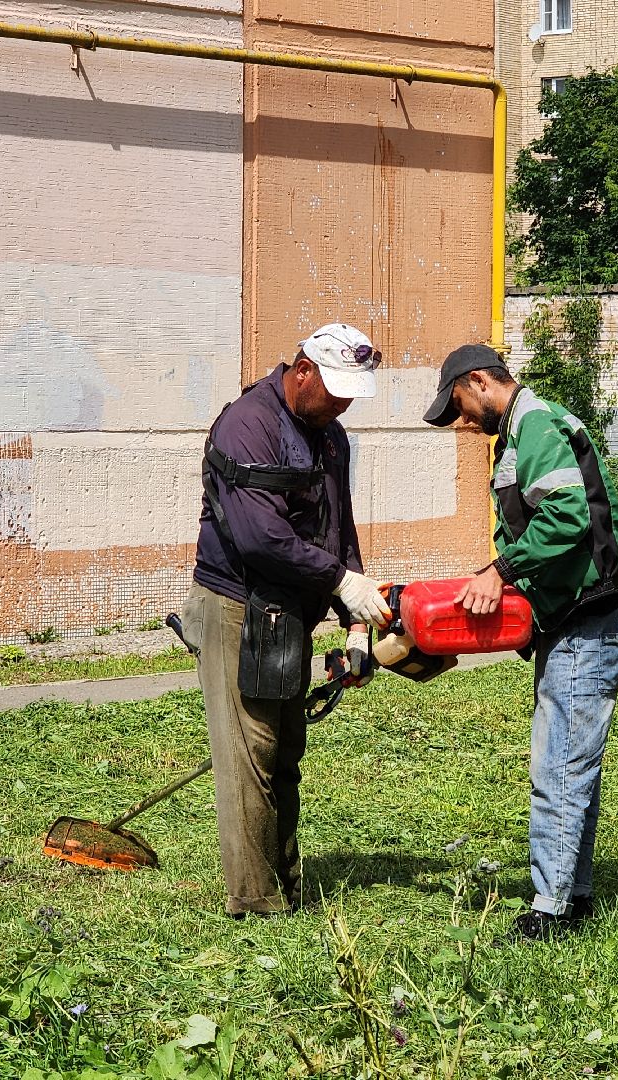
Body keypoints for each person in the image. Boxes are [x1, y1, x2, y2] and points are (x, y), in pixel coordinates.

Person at [181, 323, 391, 918]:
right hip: (236, 606)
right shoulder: (248, 424)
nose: (344, 402)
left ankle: (286, 885)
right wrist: (338, 581)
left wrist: (355, 617)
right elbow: (260, 538)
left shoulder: (330, 438)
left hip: (291, 607)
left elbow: (338, 528)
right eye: (335, 389)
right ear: (303, 371)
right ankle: (254, 903)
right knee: (250, 754)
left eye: (353, 392)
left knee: (285, 751)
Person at [423, 344, 618, 941]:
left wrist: (501, 571)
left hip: (584, 628)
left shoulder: (536, 425)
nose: (462, 419)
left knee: (559, 768)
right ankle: (575, 894)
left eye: (459, 404)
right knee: (574, 765)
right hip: (572, 625)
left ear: (480, 381)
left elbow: (567, 518)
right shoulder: (523, 433)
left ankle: (550, 911)